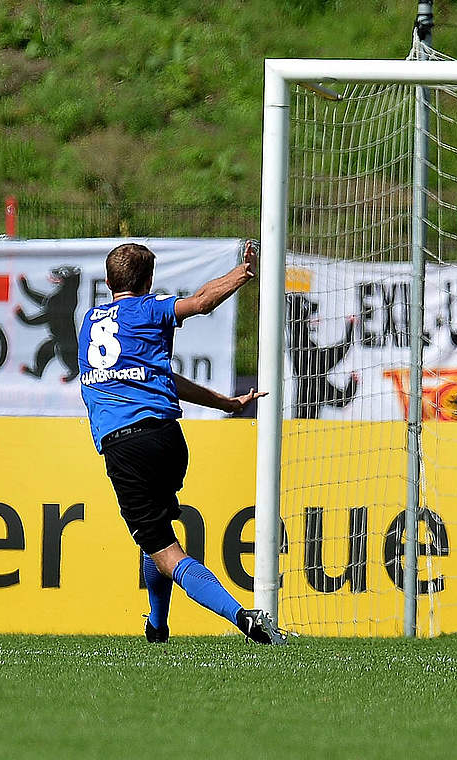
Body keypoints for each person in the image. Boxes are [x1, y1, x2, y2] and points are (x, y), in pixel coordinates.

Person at [79, 241, 283, 644]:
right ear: (150, 280)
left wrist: (243, 274)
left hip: (124, 445)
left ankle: (244, 618)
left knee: (167, 553)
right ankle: (157, 626)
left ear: (107, 282)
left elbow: (202, 302)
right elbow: (198, 307)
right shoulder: (150, 309)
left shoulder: (89, 323)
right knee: (158, 536)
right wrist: (223, 401)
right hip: (168, 439)